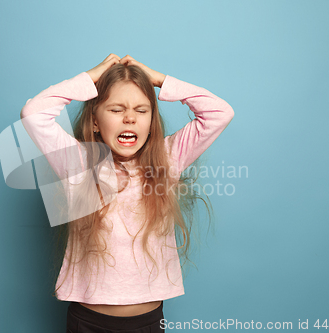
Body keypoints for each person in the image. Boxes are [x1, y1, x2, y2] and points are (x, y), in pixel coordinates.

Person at [20, 54, 234, 333]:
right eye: (116, 110)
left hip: (146, 322)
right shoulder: (78, 163)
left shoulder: (167, 159)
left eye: (141, 110)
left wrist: (158, 79)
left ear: (151, 121)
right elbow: (33, 114)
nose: (130, 118)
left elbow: (220, 112)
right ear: (95, 121)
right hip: (88, 322)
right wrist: (90, 78)